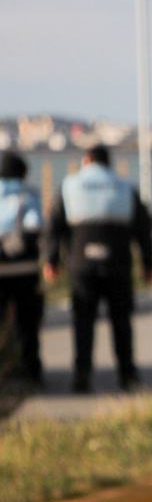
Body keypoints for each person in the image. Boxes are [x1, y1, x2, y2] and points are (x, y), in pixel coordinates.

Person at [45, 144, 152, 394]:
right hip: (118, 263)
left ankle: (82, 375)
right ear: (108, 162)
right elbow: (144, 230)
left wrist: (52, 261)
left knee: (83, 321)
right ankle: (127, 375)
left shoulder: (69, 185)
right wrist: (148, 264)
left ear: (86, 160)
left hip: (81, 263)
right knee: (121, 322)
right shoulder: (125, 186)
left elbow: (54, 226)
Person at [0, 150, 45, 385]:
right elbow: (35, 226)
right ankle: (31, 372)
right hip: (24, 271)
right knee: (28, 327)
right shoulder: (28, 195)